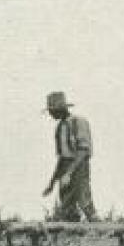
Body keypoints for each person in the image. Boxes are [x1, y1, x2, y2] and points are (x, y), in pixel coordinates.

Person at [41, 90, 97, 221]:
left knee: (85, 201)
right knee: (66, 205)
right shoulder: (60, 127)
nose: (50, 113)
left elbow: (83, 151)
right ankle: (72, 234)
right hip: (65, 167)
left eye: (52, 110)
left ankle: (103, 231)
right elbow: (61, 158)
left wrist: (69, 173)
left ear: (60, 109)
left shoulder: (78, 122)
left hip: (78, 165)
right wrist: (52, 182)